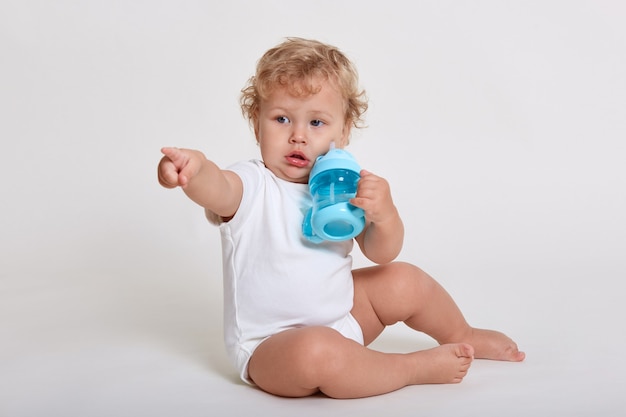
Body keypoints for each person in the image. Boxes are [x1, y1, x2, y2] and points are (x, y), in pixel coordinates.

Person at [157, 37, 525, 399]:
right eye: (282, 119)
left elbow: (383, 253)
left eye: (316, 122)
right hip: (273, 348)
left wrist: (385, 214)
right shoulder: (252, 184)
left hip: (343, 320)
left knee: (404, 279)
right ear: (257, 125)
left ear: (343, 132)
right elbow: (217, 188)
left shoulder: (340, 186)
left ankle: (463, 333)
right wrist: (195, 169)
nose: (298, 136)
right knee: (317, 351)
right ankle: (411, 368)